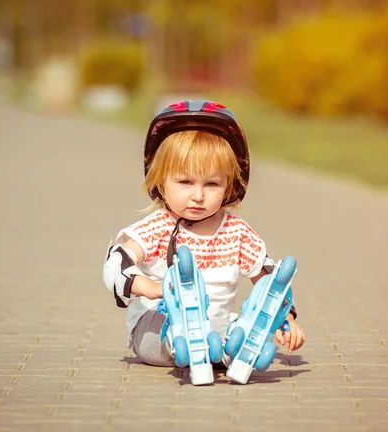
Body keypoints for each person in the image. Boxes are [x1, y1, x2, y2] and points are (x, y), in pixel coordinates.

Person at [103, 100, 305, 367]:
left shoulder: (237, 232)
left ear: (230, 185)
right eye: (185, 182)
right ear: (160, 180)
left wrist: (284, 320)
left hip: (213, 326)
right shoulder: (158, 227)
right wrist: (150, 288)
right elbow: (116, 264)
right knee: (166, 328)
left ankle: (234, 346)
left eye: (211, 184)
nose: (198, 196)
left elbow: (269, 280)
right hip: (156, 323)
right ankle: (181, 343)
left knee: (230, 327)